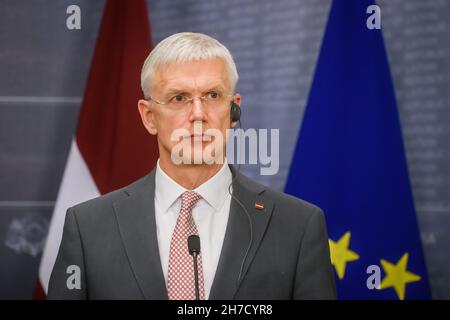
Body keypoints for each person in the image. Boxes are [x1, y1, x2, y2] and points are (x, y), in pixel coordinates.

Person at [48, 32, 336, 300]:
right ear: (149, 116)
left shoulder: (298, 226)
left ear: (234, 110)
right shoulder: (88, 228)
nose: (198, 115)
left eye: (212, 96)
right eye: (179, 98)